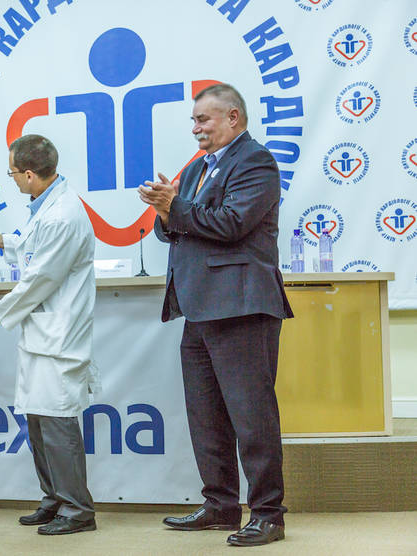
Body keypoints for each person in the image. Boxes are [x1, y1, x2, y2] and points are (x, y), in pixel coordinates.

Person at [139, 83, 293, 547]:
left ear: (233, 117)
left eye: (203, 119)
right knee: (206, 416)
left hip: (241, 306)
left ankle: (268, 514)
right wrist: (165, 212)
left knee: (252, 417)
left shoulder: (256, 161)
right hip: (199, 307)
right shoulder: (197, 168)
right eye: (193, 120)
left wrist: (176, 207)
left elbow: (232, 223)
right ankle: (221, 505)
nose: (196, 128)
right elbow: (175, 230)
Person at [0, 134, 98, 536]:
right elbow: (34, 250)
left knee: (58, 422)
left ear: (29, 174)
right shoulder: (47, 206)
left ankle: (78, 509)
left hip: (58, 335)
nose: (11, 178)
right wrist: (2, 242)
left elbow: (41, 278)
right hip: (41, 333)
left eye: (12, 172)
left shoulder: (63, 214)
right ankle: (55, 498)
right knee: (39, 423)